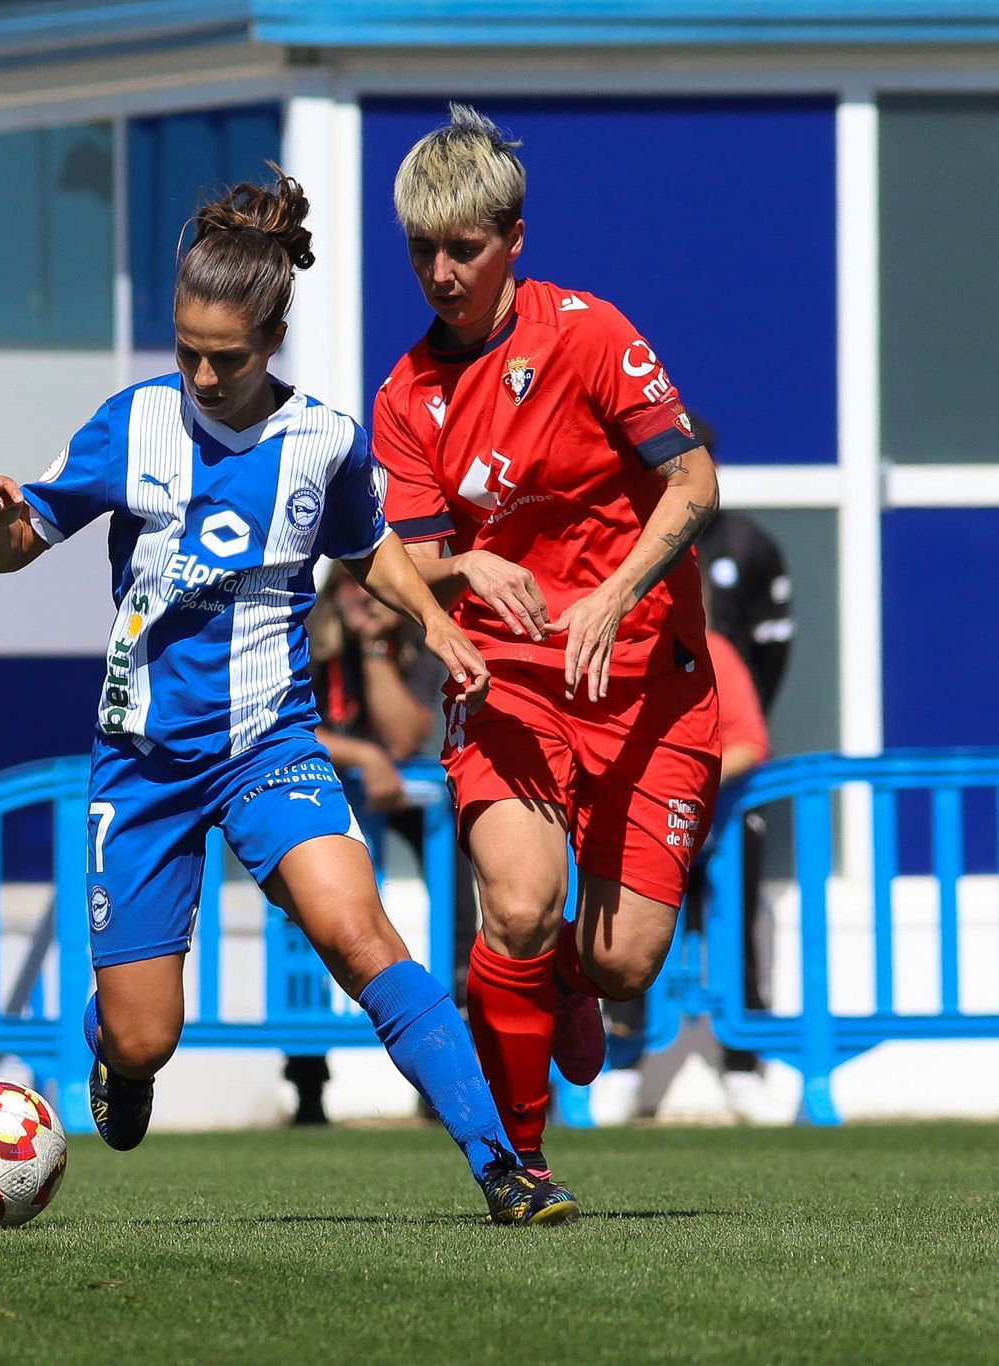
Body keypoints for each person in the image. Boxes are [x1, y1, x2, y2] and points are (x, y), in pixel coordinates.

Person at [0, 171, 576, 1225]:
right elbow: (17, 546)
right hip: (143, 763)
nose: (202, 372)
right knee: (150, 1032)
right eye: (186, 347)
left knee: (357, 931)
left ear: (274, 332)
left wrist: (433, 621)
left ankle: (504, 1164)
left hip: (270, 748)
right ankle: (119, 1042)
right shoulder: (133, 423)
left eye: (227, 355)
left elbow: (367, 545)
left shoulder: (324, 440)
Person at [372, 104, 723, 1181]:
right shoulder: (405, 395)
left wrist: (616, 593)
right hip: (509, 681)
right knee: (517, 904)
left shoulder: (589, 333)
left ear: (511, 239)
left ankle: (569, 981)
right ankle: (513, 1162)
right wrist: (462, 566)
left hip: (649, 683)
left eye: (462, 248)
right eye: (422, 249)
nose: (440, 271)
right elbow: (402, 558)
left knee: (623, 963)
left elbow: (693, 477)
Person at [284, 566, 454, 1124]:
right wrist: (363, 756)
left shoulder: (418, 635)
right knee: (306, 936)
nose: (364, 595)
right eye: (353, 582)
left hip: (401, 804)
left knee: (462, 917)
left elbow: (405, 734)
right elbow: (279, 727)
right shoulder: (298, 625)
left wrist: (377, 645)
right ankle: (308, 1083)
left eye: (372, 583)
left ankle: (451, 1074)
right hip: (309, 793)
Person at [596, 609, 775, 1123]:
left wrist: (683, 782)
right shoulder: (606, 647)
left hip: (710, 827)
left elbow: (750, 741)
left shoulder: (714, 649)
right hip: (632, 826)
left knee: (736, 944)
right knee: (617, 942)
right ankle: (621, 1069)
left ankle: (743, 1069)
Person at [689, 412, 792, 712]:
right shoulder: (626, 537)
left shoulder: (747, 545)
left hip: (729, 715)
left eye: (694, 466)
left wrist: (747, 713)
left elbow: (773, 647)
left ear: (715, 469)